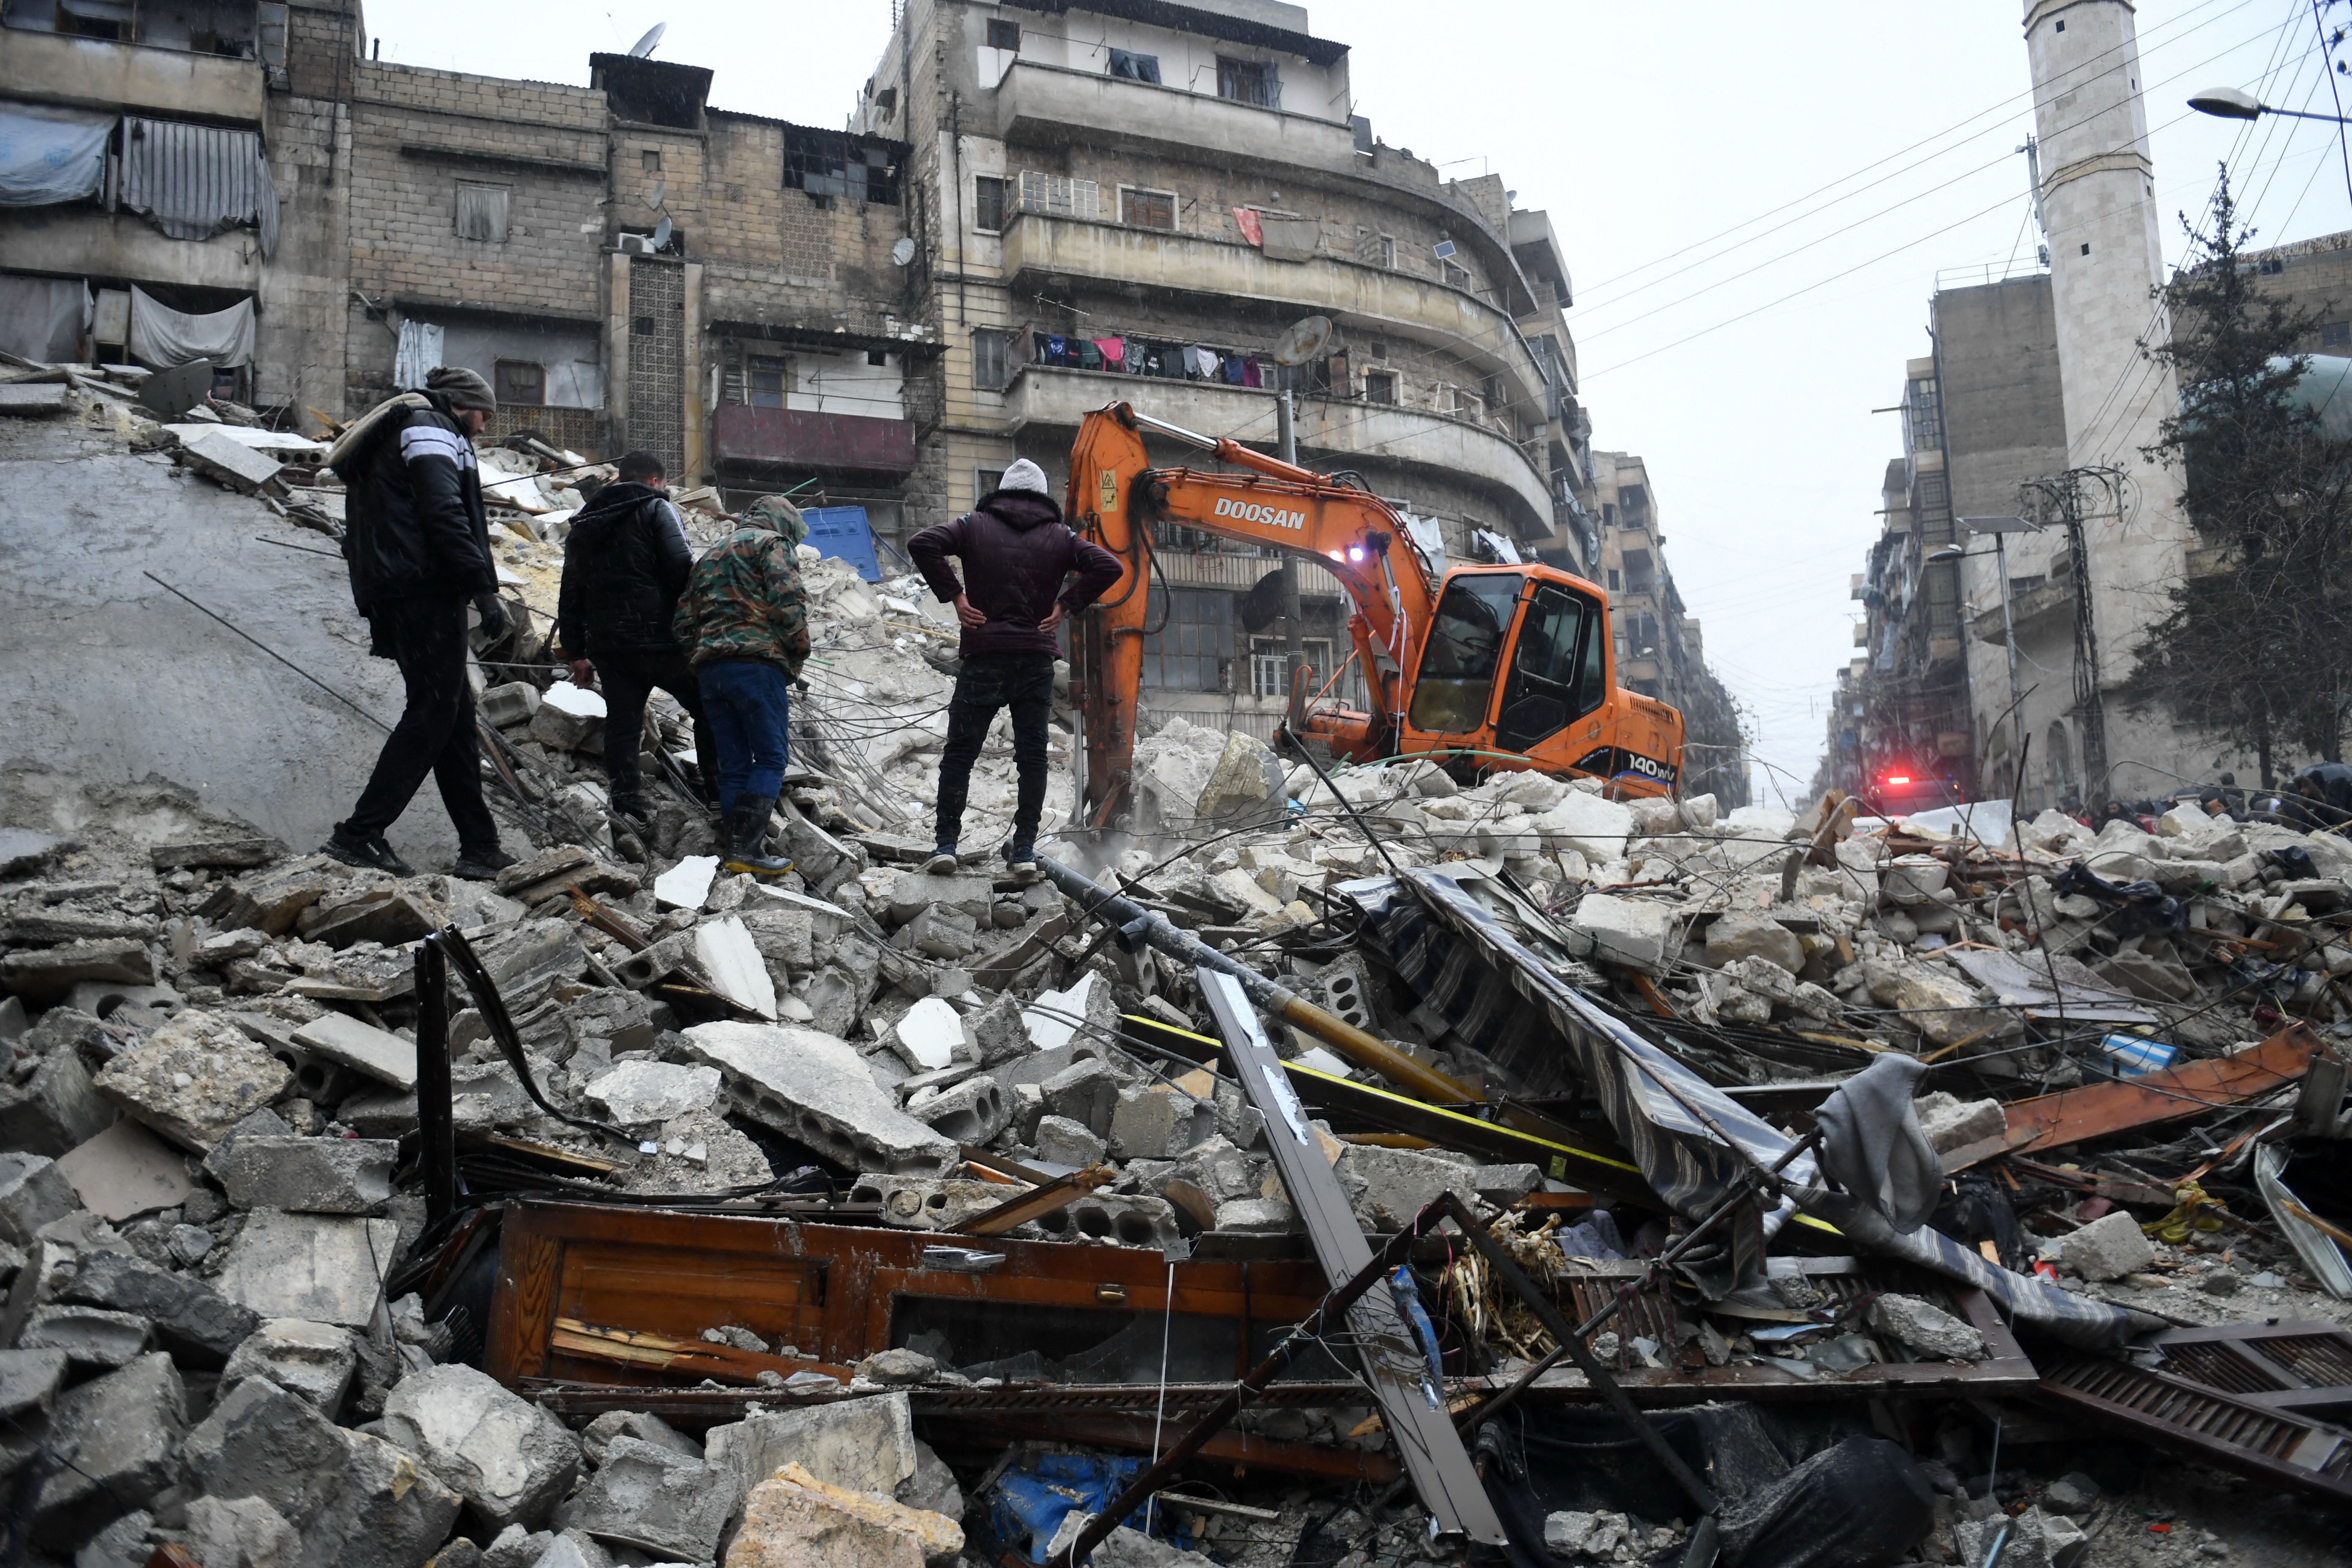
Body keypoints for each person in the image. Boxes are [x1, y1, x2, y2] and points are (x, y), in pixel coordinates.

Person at [322, 365, 517, 881]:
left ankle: (479, 846)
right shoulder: (430, 426)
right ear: (462, 404)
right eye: (483, 415)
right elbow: (443, 511)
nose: (483, 427)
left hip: (402, 585)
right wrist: (482, 587)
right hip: (424, 587)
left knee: (452, 718)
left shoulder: (404, 427)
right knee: (433, 710)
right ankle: (360, 833)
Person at [907, 458, 1122, 879]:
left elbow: (922, 542)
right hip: (1035, 659)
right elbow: (1110, 566)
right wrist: (1065, 605)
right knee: (1032, 758)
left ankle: (946, 845)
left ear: (1002, 491)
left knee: (959, 754)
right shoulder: (1060, 535)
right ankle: (1024, 851)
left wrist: (956, 597)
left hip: (984, 655)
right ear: (1041, 496)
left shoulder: (974, 525)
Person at [554, 449, 716, 827]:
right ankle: (719, 795)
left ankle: (628, 805)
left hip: (610, 646)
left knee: (623, 723)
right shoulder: (657, 509)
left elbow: (571, 590)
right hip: (661, 641)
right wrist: (694, 621)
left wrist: (576, 652)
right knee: (708, 709)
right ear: (655, 481)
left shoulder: (585, 521)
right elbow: (681, 566)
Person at [672, 495, 810, 876]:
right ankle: (749, 849)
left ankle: (735, 849)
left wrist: (703, 657)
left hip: (711, 672)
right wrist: (798, 653)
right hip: (757, 665)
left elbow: (683, 622)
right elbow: (788, 603)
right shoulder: (771, 544)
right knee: (770, 757)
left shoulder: (710, 556)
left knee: (733, 763)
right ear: (783, 522)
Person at [2292, 761, 2352, 831]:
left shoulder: (2331, 806)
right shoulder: (2307, 806)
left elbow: (2341, 830)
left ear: (2315, 787)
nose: (2302, 791)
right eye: (2301, 787)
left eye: (2305, 787)